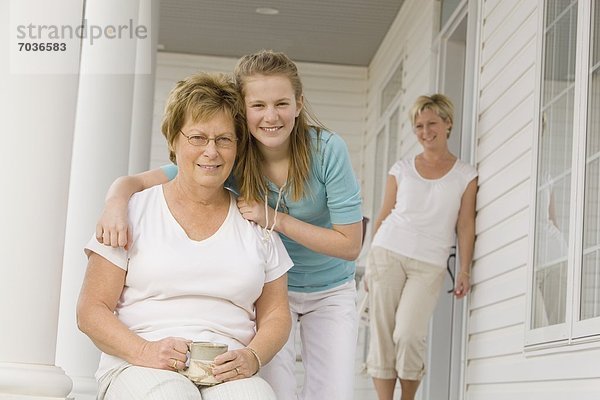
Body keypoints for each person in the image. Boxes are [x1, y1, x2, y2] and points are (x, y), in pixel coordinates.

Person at [95, 50, 363, 400]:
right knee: (276, 390)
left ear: (299, 104)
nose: (271, 116)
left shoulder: (326, 151)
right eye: (258, 106)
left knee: (332, 392)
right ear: (243, 109)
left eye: (281, 103)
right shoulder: (229, 153)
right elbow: (143, 180)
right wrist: (115, 202)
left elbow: (350, 245)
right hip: (267, 292)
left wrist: (276, 219)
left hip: (327, 286)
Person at [77, 72, 293, 400]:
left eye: (224, 139)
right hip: (140, 366)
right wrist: (144, 351)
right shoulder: (132, 211)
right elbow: (91, 309)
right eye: (197, 137)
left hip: (227, 371)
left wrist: (252, 356)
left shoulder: (256, 223)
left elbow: (276, 313)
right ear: (174, 142)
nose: (212, 151)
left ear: (237, 146)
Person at [364, 94, 478, 400]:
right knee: (383, 336)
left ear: (447, 123)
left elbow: (465, 225)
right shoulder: (401, 169)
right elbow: (383, 216)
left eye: (431, 124)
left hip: (429, 264)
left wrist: (464, 268)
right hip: (387, 253)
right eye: (418, 126)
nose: (425, 132)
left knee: (409, 334)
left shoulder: (465, 175)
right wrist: (369, 264)